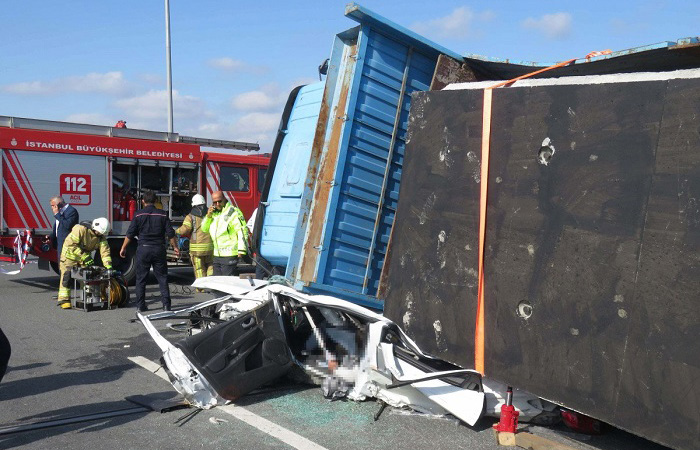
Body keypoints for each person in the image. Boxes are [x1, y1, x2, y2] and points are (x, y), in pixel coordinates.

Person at [120, 190, 179, 312]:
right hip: (159, 249)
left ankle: (141, 306)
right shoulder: (162, 214)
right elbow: (170, 234)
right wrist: (175, 247)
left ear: (143, 201)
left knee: (141, 279)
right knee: (162, 278)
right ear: (156, 201)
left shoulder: (138, 215)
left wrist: (123, 247)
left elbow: (130, 234)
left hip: (143, 249)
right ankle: (166, 306)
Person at [57, 218, 112, 309]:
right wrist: (84, 256)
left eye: (102, 234)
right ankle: (64, 300)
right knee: (66, 277)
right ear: (94, 228)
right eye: (99, 233)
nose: (100, 235)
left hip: (83, 258)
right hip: (69, 256)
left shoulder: (101, 237)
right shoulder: (80, 229)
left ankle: (87, 298)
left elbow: (105, 252)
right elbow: (71, 245)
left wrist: (108, 266)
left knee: (88, 277)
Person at [201, 191, 248, 277]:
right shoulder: (214, 214)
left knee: (227, 283)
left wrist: (241, 250)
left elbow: (242, 230)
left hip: (229, 254)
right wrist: (208, 216)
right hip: (217, 254)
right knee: (217, 283)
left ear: (224, 199)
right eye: (215, 202)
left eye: (220, 201)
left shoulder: (233, 212)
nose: (217, 204)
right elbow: (204, 229)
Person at [175, 194, 214, 286]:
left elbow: (185, 230)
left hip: (197, 249)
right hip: (210, 247)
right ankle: (211, 284)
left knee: (199, 268)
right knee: (210, 266)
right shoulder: (210, 214)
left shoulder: (191, 216)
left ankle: (201, 287)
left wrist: (176, 231)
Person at [48, 196, 79, 263]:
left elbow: (67, 225)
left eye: (53, 205)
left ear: (59, 204)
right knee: (60, 264)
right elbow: (57, 226)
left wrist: (57, 214)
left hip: (66, 242)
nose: (52, 208)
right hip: (59, 242)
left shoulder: (71, 211)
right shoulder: (60, 212)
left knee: (65, 264)